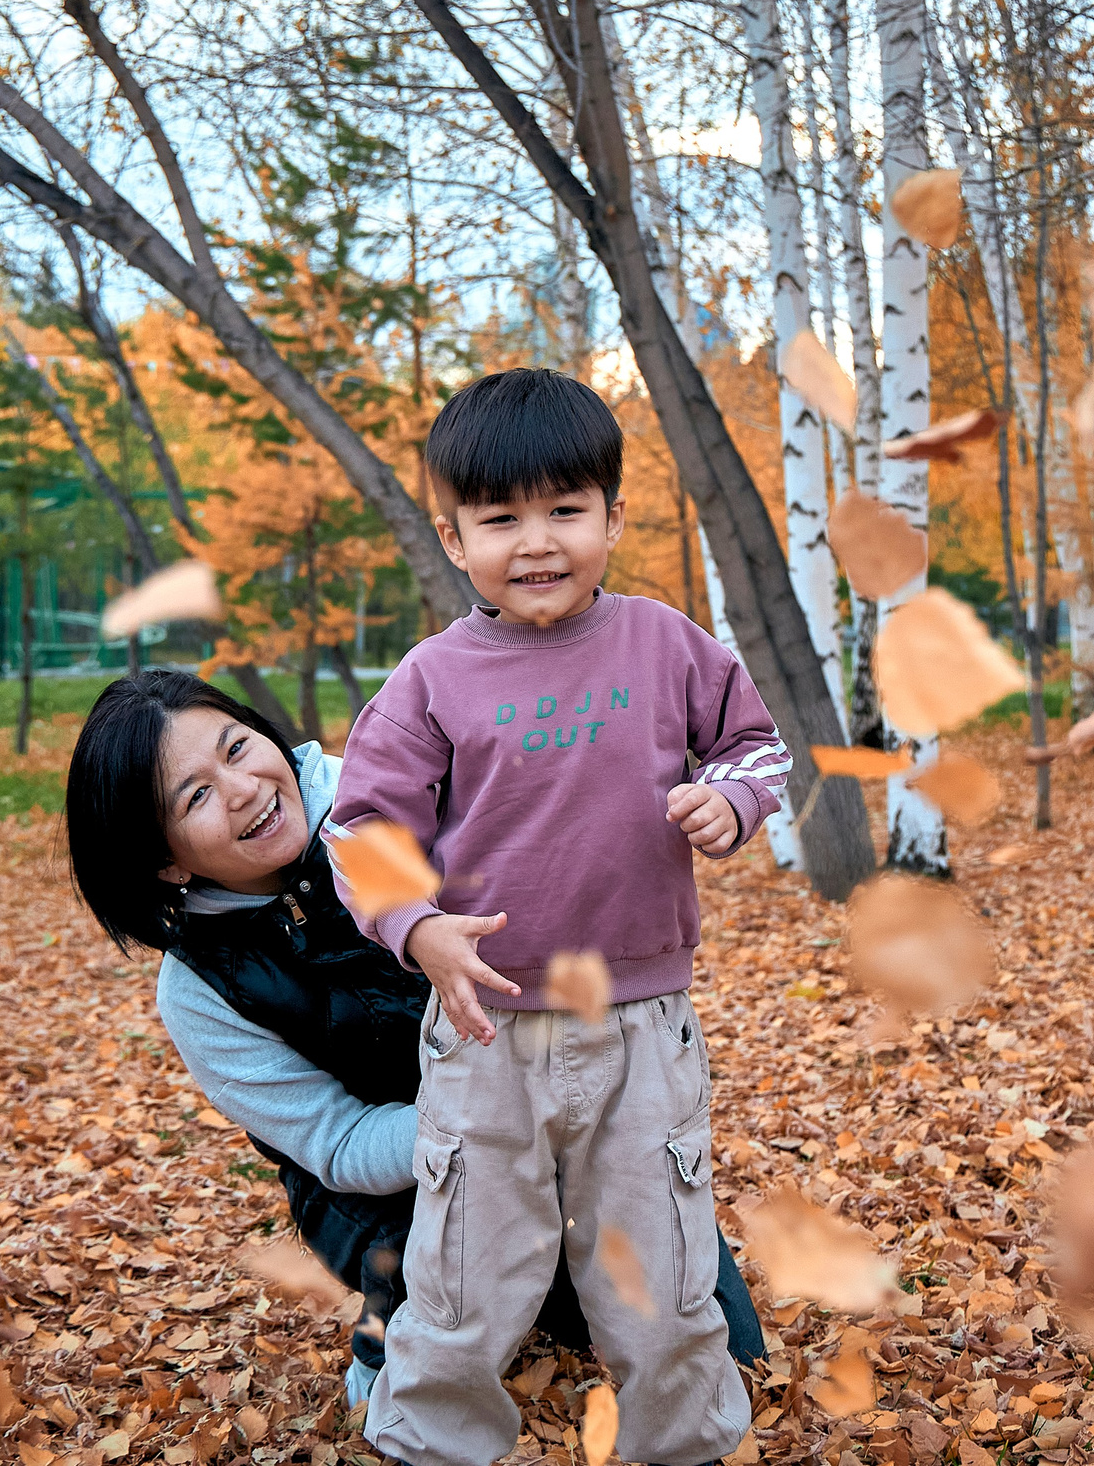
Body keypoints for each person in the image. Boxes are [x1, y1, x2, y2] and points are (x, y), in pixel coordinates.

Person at [61, 670, 762, 1413]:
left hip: (549, 1098)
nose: (242, 787)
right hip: (388, 1183)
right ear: (165, 858)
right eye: (196, 795)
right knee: (436, 1362)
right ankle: (392, 1338)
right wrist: (479, 1118)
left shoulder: (400, 800)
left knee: (730, 1353)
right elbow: (335, 1139)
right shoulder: (200, 988)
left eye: (238, 747)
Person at [328, 368, 785, 1466]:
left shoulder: (668, 646)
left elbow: (756, 744)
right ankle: (433, 1442)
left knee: (662, 1273)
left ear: (614, 517)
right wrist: (420, 931)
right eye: (501, 519)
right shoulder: (432, 680)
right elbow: (361, 831)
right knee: (466, 1273)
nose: (537, 542)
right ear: (454, 538)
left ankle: (681, 1443)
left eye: (565, 510)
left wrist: (730, 799)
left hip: (641, 1027)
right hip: (487, 1031)